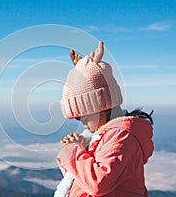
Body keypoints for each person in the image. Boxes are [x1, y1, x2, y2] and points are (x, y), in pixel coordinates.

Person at [55, 41, 154, 197]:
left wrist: (74, 151)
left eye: (85, 119)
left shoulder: (123, 136)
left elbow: (97, 183)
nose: (84, 126)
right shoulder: (104, 135)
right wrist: (80, 147)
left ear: (103, 106)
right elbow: (80, 179)